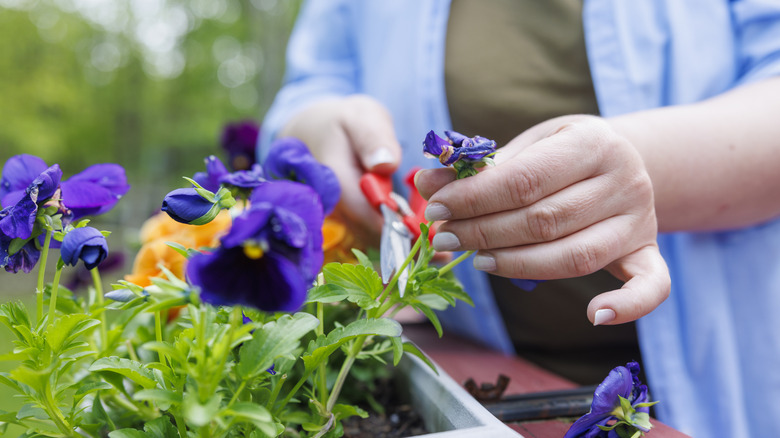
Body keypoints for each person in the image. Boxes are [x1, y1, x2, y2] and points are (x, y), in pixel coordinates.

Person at [257, 1, 780, 437]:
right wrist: (316, 130)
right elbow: (306, 93)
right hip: (479, 382)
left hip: (721, 387)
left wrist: (643, 160)